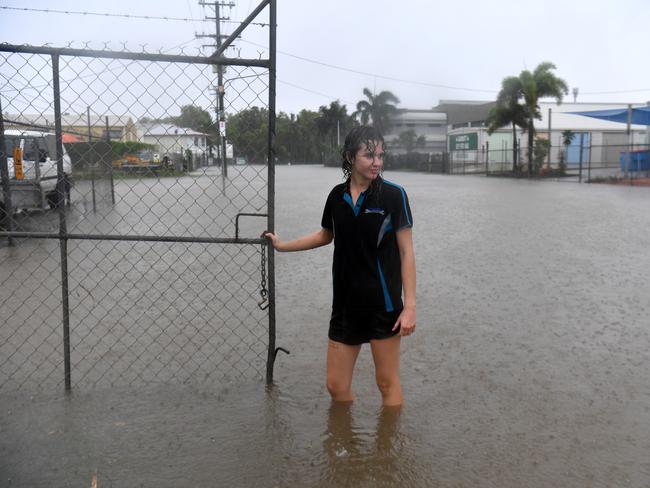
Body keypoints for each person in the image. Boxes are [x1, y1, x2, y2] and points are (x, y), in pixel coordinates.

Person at [265, 125, 416, 406]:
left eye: (381, 155)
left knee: (386, 383)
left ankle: (387, 448)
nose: (377, 162)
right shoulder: (336, 196)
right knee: (335, 386)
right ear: (350, 157)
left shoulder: (394, 196)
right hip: (345, 305)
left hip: (383, 307)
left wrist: (410, 307)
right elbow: (325, 235)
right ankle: (348, 441)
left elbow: (407, 252)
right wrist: (281, 245)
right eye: (369, 155)